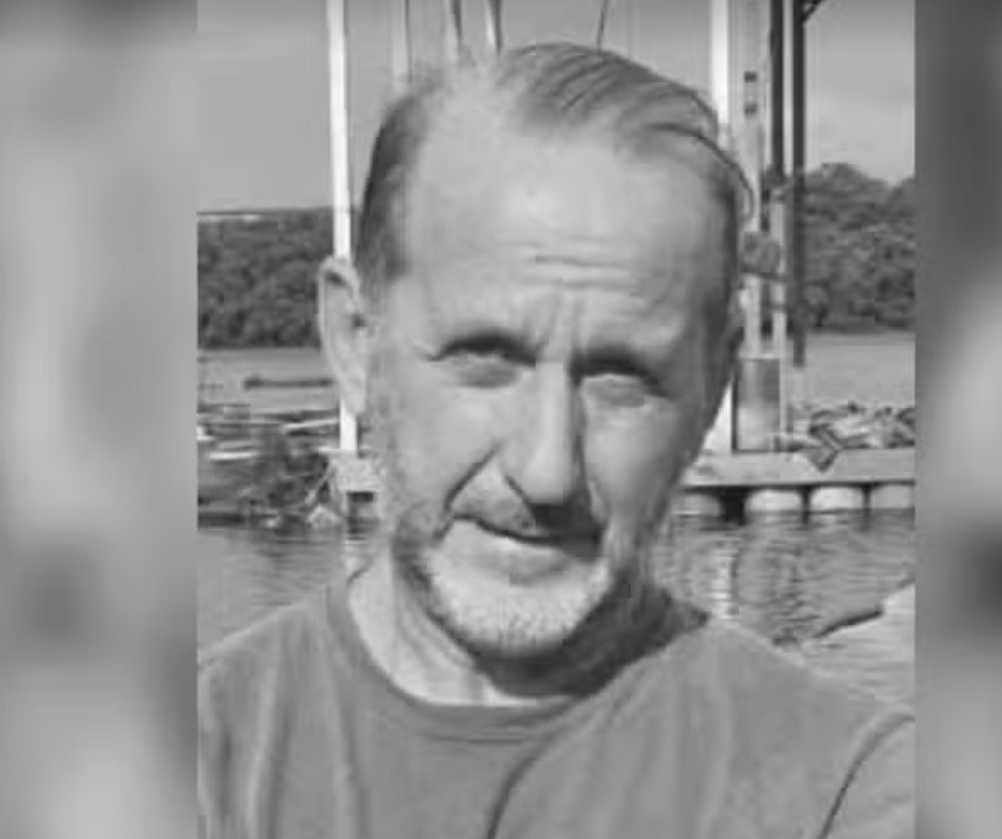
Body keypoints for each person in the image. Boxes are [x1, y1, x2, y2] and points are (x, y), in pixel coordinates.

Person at [199, 43, 913, 839]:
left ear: (713, 382)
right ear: (356, 342)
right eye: (485, 360)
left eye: (621, 377)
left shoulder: (844, 788)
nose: (546, 470)